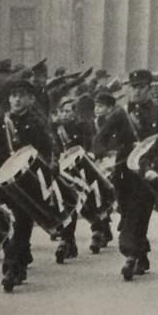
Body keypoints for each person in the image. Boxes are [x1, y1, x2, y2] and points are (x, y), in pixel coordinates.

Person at [94, 69, 158, 282]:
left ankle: (130, 254)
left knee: (139, 212)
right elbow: (99, 139)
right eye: (133, 87)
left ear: (149, 88)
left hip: (147, 172)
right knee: (127, 212)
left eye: (141, 87)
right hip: (123, 173)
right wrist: (106, 155)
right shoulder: (120, 113)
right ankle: (141, 255)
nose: (136, 91)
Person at [0, 79, 55, 292]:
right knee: (5, 222)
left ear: (31, 99)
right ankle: (14, 265)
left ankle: (13, 268)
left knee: (22, 225)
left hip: (26, 184)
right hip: (1, 183)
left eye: (22, 96)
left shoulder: (37, 123)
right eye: (13, 95)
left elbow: (47, 149)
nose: (17, 100)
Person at [52, 96, 94, 263]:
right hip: (58, 170)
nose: (64, 114)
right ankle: (67, 240)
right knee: (62, 204)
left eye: (68, 111)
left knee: (72, 203)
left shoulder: (82, 127)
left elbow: (88, 145)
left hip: (77, 169)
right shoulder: (54, 128)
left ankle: (67, 239)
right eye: (62, 111)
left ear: (74, 113)